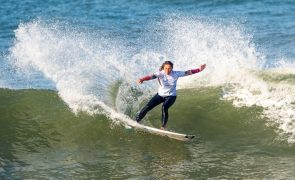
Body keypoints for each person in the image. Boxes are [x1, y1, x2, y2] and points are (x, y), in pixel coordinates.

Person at [136, 61, 206, 130]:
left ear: (172, 68)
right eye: (166, 68)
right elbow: (151, 76)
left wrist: (199, 69)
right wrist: (142, 79)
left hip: (171, 96)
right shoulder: (160, 74)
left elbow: (188, 72)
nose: (167, 70)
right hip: (160, 95)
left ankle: (163, 127)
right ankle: (136, 121)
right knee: (147, 107)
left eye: (169, 68)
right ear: (163, 68)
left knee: (164, 107)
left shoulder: (176, 73)